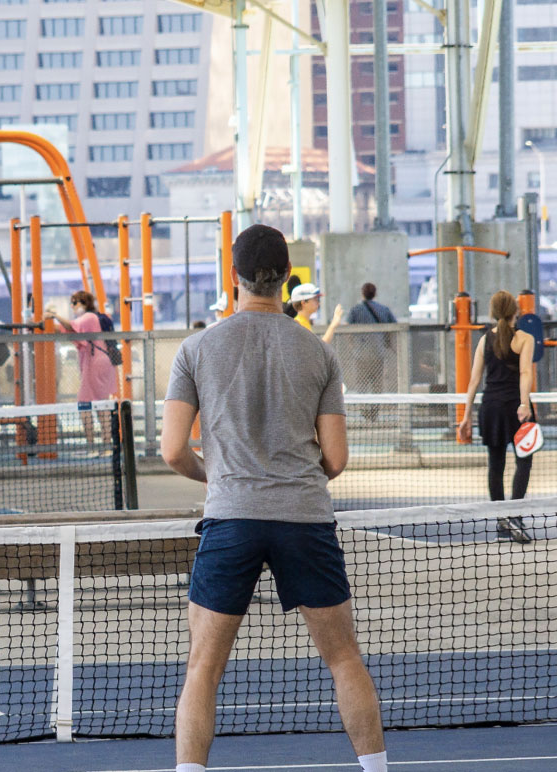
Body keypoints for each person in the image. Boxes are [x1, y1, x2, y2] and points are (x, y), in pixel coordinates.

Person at [160, 224, 387, 772]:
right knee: (344, 659)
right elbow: (335, 460)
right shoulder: (318, 353)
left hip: (231, 519)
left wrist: (219, 477)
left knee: (202, 669)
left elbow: (172, 452)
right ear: (287, 278)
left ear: (233, 277)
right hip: (304, 520)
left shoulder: (195, 349)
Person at [456, 291, 536, 540]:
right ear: (516, 312)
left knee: (496, 464)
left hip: (490, 408)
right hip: (515, 407)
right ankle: (514, 516)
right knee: (524, 461)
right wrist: (524, 404)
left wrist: (466, 416)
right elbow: (524, 373)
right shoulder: (525, 339)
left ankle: (503, 521)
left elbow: (473, 382)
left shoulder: (483, 341)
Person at [45, 291, 118, 455]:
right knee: (99, 403)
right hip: (98, 362)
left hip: (96, 363)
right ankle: (103, 446)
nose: (73, 306)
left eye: (75, 303)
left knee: (87, 402)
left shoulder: (89, 318)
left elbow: (71, 326)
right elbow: (66, 329)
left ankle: (96, 446)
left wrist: (53, 315)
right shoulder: (90, 320)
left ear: (84, 303)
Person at [345, 283, 399, 414]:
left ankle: (364, 410)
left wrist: (353, 346)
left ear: (362, 293)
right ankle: (375, 410)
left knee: (362, 383)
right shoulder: (384, 309)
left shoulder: (355, 310)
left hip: (360, 354)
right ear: (375, 294)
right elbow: (394, 327)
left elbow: (347, 330)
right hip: (378, 353)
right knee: (376, 383)